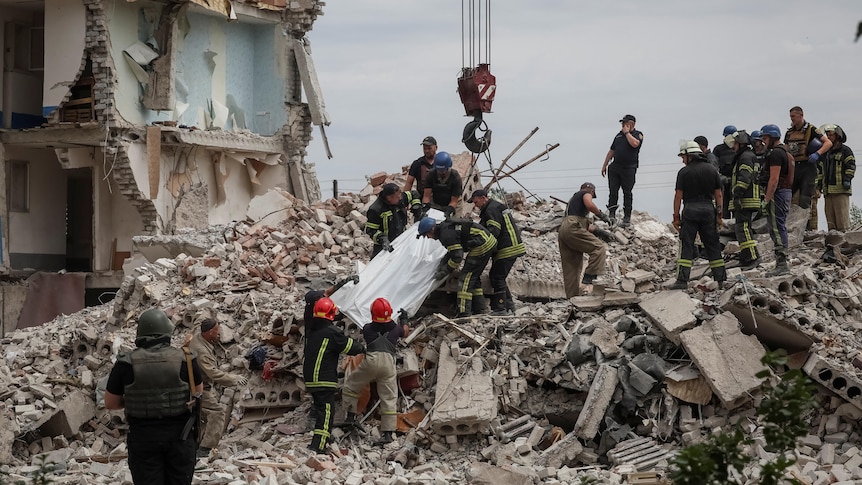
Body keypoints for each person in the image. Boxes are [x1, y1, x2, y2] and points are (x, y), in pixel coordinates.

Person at [104, 308, 202, 485]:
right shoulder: (186, 359)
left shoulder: (125, 362)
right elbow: (198, 393)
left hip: (143, 439)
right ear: (167, 332)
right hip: (181, 437)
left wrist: (140, 399)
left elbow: (111, 403)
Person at [341, 298, 409, 445]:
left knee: (352, 385)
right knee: (389, 397)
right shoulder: (396, 329)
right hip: (388, 365)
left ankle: (350, 417)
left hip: (370, 362)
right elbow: (404, 332)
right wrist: (404, 319)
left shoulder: (367, 329)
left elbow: (374, 327)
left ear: (372, 313)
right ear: (390, 313)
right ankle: (388, 434)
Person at [303, 297, 365, 453]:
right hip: (323, 379)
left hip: (311, 378)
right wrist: (363, 347)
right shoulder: (332, 332)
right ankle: (318, 445)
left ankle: (324, 435)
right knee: (327, 411)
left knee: (320, 409)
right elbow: (349, 346)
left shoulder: (312, 330)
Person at [187, 318, 248, 458]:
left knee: (202, 418)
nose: (219, 334)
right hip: (198, 389)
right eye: (216, 331)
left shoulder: (199, 337)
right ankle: (205, 449)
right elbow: (213, 373)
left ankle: (197, 445)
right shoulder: (201, 351)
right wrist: (234, 379)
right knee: (217, 413)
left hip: (195, 385)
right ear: (209, 333)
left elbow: (198, 322)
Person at [669, 141, 726, 289]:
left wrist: (676, 217)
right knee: (712, 245)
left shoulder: (683, 172)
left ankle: (682, 281)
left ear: (690, 156)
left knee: (687, 244)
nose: (682, 160)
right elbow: (718, 194)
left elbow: (678, 196)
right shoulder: (712, 170)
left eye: (683, 157)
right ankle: (721, 280)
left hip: (690, 210)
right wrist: (719, 215)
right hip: (708, 210)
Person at [417, 216, 497, 317]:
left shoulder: (446, 235)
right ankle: (480, 309)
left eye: (426, 234)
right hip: (485, 241)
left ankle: (464, 314)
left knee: (465, 279)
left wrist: (445, 270)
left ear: (432, 229)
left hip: (482, 244)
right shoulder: (444, 229)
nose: (427, 237)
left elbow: (457, 257)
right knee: (473, 278)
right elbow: (452, 251)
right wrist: (443, 262)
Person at [468, 189, 526, 314]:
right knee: (499, 276)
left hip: (507, 247)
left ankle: (500, 308)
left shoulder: (490, 209)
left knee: (496, 277)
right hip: (512, 245)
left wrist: (483, 247)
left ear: (483, 198)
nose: (475, 205)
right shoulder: (495, 206)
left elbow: (493, 230)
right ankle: (509, 306)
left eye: (476, 201)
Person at [558, 182, 612, 298]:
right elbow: (589, 204)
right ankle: (589, 277)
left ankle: (572, 298)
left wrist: (599, 232)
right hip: (572, 227)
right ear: (591, 191)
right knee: (599, 248)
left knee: (572, 267)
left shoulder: (573, 204)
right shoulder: (585, 193)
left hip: (564, 230)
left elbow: (586, 226)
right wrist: (601, 215)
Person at [785, 106, 832, 231]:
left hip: (808, 166)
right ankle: (790, 227)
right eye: (790, 117)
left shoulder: (811, 129)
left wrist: (818, 153)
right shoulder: (790, 132)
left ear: (801, 115)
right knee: (788, 196)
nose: (792, 119)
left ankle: (807, 229)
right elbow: (786, 148)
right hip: (795, 167)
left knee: (805, 198)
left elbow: (828, 143)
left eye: (793, 116)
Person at [759, 124, 795, 276]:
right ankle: (781, 262)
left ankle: (782, 263)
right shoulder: (787, 153)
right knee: (779, 226)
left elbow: (773, 180)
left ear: (773, 137)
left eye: (765, 138)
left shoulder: (776, 154)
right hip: (785, 191)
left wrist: (766, 199)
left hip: (778, 193)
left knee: (777, 227)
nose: (763, 141)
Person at [601, 114, 643, 227]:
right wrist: (605, 164)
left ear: (631, 124)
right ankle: (611, 214)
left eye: (625, 123)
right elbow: (611, 151)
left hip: (629, 168)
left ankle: (627, 217)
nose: (623, 125)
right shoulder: (618, 136)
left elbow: (635, 144)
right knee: (613, 191)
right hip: (615, 167)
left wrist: (627, 133)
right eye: (622, 123)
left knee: (627, 192)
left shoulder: (637, 134)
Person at [728, 130, 761, 270]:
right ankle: (746, 255)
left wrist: (737, 193)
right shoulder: (745, 155)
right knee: (741, 229)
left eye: (735, 143)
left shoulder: (746, 157)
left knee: (744, 229)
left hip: (746, 199)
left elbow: (745, 177)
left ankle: (753, 257)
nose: (733, 146)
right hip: (746, 199)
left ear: (741, 144)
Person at [365, 183, 420, 257]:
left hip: (401, 241)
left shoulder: (400, 199)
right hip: (384, 247)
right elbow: (370, 230)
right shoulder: (376, 210)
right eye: (397, 197)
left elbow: (414, 194)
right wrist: (382, 239)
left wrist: (416, 205)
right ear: (389, 198)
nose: (400, 198)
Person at [817, 124, 855, 231]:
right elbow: (820, 170)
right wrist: (819, 185)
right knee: (831, 221)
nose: (828, 137)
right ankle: (833, 243)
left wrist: (847, 179)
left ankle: (844, 244)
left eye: (831, 135)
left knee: (842, 220)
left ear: (838, 135)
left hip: (841, 190)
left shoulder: (845, 151)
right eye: (827, 134)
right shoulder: (825, 153)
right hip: (828, 191)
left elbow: (851, 166)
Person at [422, 151, 463, 218]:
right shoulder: (431, 174)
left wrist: (449, 210)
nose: (441, 172)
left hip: (453, 204)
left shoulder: (455, 177)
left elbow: (454, 200)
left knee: (452, 223)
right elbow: (426, 196)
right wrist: (425, 206)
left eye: (443, 170)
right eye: (439, 170)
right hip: (436, 203)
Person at [713, 125, 737, 218]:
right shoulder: (718, 149)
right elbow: (715, 166)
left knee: (735, 205)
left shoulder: (738, 148)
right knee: (724, 205)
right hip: (723, 182)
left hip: (735, 182)